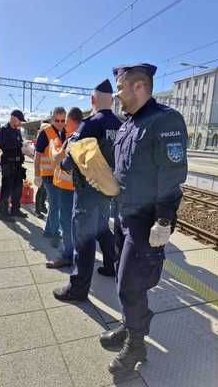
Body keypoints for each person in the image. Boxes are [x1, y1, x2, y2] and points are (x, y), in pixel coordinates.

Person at [99, 64, 188, 375]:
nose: (118, 95)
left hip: (146, 220)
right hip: (123, 214)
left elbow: (171, 174)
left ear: (139, 87)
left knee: (129, 284)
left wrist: (164, 221)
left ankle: (136, 345)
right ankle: (130, 325)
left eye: (121, 88)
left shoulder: (165, 120)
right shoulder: (128, 125)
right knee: (129, 283)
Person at [53, 79, 121, 302]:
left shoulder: (90, 124)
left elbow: (70, 160)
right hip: (108, 190)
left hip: (87, 192)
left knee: (84, 239)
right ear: (111, 100)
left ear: (93, 100)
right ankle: (111, 265)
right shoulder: (120, 124)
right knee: (102, 228)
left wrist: (61, 163)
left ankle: (78, 288)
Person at [46, 107, 83, 269]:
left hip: (68, 188)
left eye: (65, 122)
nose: (63, 125)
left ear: (70, 122)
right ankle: (79, 253)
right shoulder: (87, 136)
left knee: (67, 222)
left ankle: (69, 255)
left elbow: (57, 160)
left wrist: (55, 148)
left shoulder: (72, 139)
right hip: (81, 188)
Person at [34, 107, 66, 248]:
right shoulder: (45, 133)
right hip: (47, 175)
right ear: (52, 119)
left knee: (55, 204)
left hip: (60, 176)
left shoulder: (66, 132)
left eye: (63, 120)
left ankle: (48, 231)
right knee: (55, 204)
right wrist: (36, 174)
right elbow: (37, 155)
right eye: (57, 120)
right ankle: (54, 233)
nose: (60, 123)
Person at [0, 109, 28, 222]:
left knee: (18, 189)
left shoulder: (17, 131)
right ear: (14, 118)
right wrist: (20, 144)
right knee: (7, 189)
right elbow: (4, 145)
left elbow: (18, 145)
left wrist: (25, 149)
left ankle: (15, 209)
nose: (21, 123)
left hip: (18, 164)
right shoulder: (4, 130)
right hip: (8, 163)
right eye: (20, 120)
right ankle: (4, 213)